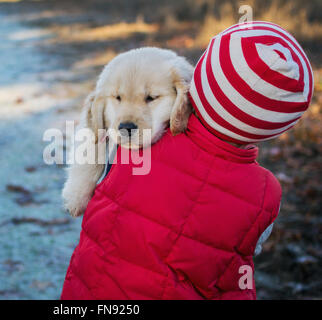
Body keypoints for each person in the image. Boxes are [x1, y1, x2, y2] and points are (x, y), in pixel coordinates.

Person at [61, 21, 313, 300]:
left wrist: (80, 184)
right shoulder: (267, 192)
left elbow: (93, 133)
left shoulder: (142, 147)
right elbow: (240, 265)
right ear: (275, 128)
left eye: (150, 99)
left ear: (194, 87)